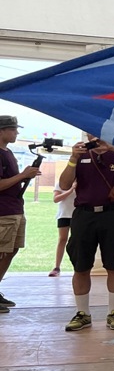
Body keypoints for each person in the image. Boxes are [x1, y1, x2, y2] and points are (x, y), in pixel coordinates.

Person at [58, 134, 114, 332]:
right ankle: (82, 313)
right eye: (89, 132)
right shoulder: (80, 154)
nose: (93, 136)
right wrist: (73, 158)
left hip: (112, 214)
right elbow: (64, 185)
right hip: (84, 214)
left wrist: (113, 148)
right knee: (81, 266)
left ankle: (113, 312)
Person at [0, 115, 40, 312]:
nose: (16, 133)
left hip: (14, 208)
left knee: (12, 249)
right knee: (2, 251)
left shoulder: (7, 152)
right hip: (3, 211)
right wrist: (23, 175)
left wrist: (23, 177)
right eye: (13, 129)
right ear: (3, 130)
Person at [49, 181, 75, 276]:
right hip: (64, 214)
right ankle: (57, 267)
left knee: (77, 241)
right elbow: (56, 199)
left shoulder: (83, 181)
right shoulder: (61, 183)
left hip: (78, 215)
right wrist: (71, 190)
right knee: (62, 239)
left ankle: (78, 266)